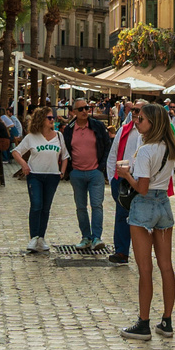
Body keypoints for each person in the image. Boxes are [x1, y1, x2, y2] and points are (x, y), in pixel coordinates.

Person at [117, 103, 175, 340]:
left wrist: (126, 175)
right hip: (164, 204)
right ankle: (167, 321)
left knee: (145, 269)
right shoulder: (169, 146)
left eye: (142, 119)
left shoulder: (146, 150)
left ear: (153, 123)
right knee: (166, 266)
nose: (136, 121)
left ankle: (143, 322)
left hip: (144, 208)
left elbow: (142, 188)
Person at [14, 107, 68, 252]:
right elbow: (16, 152)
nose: (53, 120)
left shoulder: (58, 136)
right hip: (35, 175)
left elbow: (65, 156)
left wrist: (61, 172)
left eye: (53, 118)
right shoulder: (31, 137)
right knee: (36, 204)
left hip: (52, 176)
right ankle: (33, 237)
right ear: (41, 120)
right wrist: (24, 165)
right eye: (49, 118)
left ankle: (41, 237)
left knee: (46, 208)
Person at [62, 99, 112, 251]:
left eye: (87, 108)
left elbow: (107, 146)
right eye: (81, 109)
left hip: (95, 172)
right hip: (77, 173)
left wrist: (101, 168)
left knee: (97, 205)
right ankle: (86, 237)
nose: (85, 111)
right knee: (81, 207)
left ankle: (97, 237)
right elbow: (65, 149)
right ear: (74, 112)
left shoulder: (97, 125)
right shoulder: (70, 129)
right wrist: (70, 170)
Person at [105, 108, 145, 265]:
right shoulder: (124, 130)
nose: (136, 112)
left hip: (143, 180)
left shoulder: (153, 133)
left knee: (143, 219)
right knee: (122, 215)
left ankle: (144, 254)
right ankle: (121, 252)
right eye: (134, 109)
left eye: (140, 110)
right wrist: (112, 178)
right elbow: (113, 155)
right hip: (123, 180)